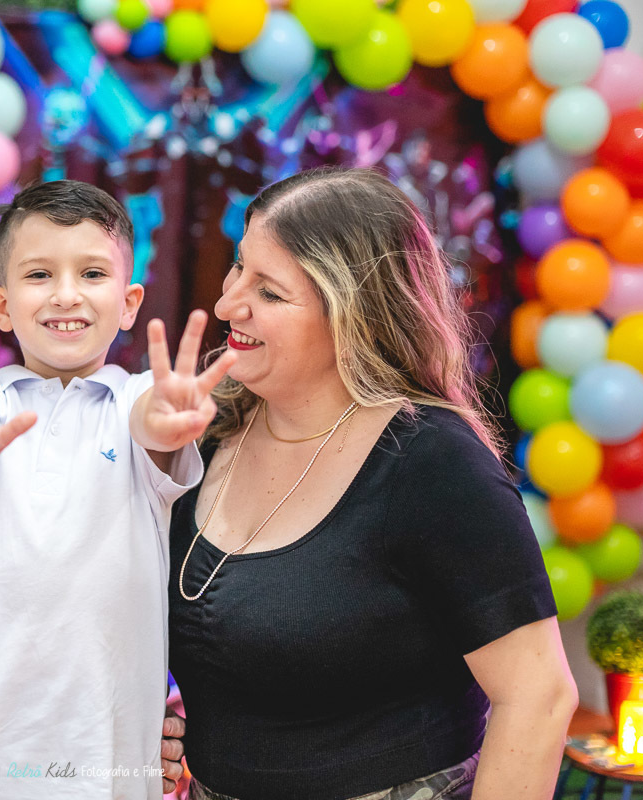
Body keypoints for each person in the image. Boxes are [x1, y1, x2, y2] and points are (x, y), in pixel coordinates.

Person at [167, 168, 578, 800]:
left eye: (269, 292)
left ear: (353, 315)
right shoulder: (207, 425)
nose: (227, 305)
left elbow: (539, 695)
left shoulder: (432, 461)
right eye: (238, 267)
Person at [0, 181, 234, 799]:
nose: (65, 294)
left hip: (103, 757)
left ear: (129, 303)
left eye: (92, 273)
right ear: (1, 306)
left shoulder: (135, 399)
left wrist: (166, 423)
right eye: (39, 274)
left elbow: (153, 427)